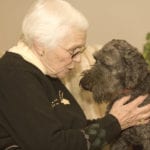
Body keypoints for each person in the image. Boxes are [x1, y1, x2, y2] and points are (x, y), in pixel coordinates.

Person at [0, 0, 150, 150]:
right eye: (73, 51)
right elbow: (53, 145)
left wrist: (122, 118)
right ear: (41, 46)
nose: (78, 59)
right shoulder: (13, 75)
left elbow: (76, 129)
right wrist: (115, 122)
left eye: (81, 50)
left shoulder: (47, 71)